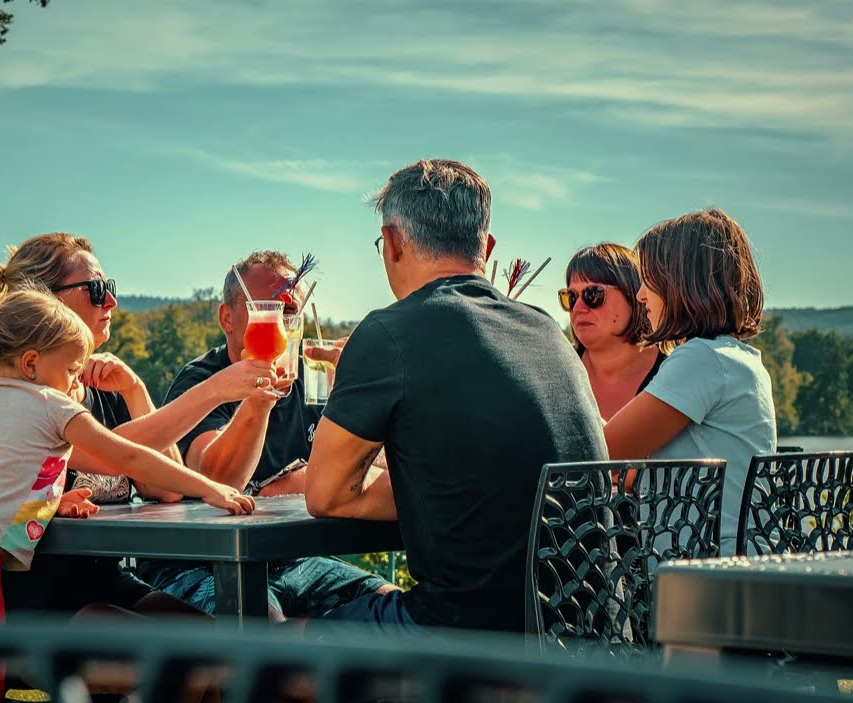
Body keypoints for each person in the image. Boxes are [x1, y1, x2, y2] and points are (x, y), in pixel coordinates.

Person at [0, 288, 255, 703]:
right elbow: (128, 457)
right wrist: (208, 488)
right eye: (73, 368)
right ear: (32, 363)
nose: (78, 380)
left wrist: (49, 498)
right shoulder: (52, 404)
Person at [303, 159, 608, 634]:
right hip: (583, 633)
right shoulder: (546, 330)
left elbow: (325, 495)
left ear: (394, 242)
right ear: (486, 248)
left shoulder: (389, 332)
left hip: (466, 637)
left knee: (272, 651)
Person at [0, 233, 278, 616]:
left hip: (103, 585)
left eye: (110, 287)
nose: (111, 301)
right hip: (33, 600)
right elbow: (116, 455)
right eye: (96, 289)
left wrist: (134, 390)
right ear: (45, 301)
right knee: (184, 656)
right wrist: (213, 390)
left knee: (221, 636)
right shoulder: (25, 396)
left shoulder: (103, 388)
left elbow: (164, 491)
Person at [137, 251, 395, 619]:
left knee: (386, 603)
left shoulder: (315, 379)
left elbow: (376, 472)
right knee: (260, 620)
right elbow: (212, 479)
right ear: (228, 318)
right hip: (203, 562)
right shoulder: (202, 382)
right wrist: (259, 402)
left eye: (291, 311)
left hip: (293, 559)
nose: (282, 320)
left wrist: (358, 402)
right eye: (267, 307)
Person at [602, 208, 777, 555]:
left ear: (681, 283)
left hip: (700, 570)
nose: (640, 295)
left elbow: (600, 451)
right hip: (738, 562)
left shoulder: (702, 360)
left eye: (648, 280)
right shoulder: (738, 359)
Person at [561, 243, 664, 419]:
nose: (577, 308)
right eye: (570, 297)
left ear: (633, 295)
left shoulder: (673, 372)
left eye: (593, 294)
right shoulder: (555, 368)